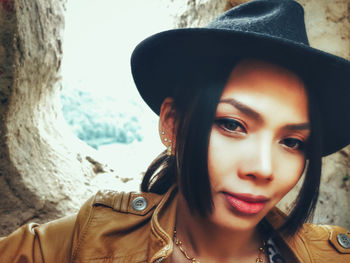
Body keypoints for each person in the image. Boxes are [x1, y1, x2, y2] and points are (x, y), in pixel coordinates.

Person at [1, 0, 350, 262]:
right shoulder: (87, 240)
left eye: (292, 142)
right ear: (172, 123)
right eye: (232, 125)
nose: (262, 168)